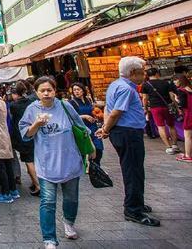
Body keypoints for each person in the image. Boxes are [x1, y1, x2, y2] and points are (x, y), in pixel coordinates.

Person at [19, 77, 90, 249]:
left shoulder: (65, 106)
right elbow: (25, 135)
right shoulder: (32, 109)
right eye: (42, 90)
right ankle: (49, 239)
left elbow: (81, 127)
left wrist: (91, 149)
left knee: (71, 198)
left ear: (55, 90)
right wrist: (36, 124)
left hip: (70, 160)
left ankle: (69, 223)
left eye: (49, 90)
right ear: (36, 92)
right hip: (46, 164)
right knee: (48, 202)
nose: (46, 93)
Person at [96, 56, 160, 227]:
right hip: (128, 133)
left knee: (133, 169)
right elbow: (115, 112)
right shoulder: (127, 89)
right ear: (133, 72)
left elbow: (108, 110)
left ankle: (136, 203)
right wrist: (105, 130)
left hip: (123, 132)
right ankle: (133, 209)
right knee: (133, 171)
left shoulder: (115, 85)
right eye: (142, 72)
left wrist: (105, 127)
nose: (144, 75)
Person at [9, 82, 40, 196]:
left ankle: (38, 186)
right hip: (34, 132)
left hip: (22, 135)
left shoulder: (14, 106)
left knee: (28, 161)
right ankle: (35, 182)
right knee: (35, 159)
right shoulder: (32, 102)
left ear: (15, 94)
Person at [141, 68, 180, 154]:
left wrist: (145, 108)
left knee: (160, 126)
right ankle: (175, 145)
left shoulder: (146, 85)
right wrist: (177, 107)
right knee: (171, 126)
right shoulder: (166, 82)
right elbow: (172, 97)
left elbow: (145, 98)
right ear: (157, 74)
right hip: (167, 106)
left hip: (155, 107)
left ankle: (168, 147)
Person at [69, 82, 104, 165]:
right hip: (83, 130)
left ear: (83, 91)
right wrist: (84, 116)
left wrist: (96, 115)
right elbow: (71, 118)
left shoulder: (88, 99)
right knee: (90, 150)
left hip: (93, 127)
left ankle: (96, 167)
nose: (76, 91)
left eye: (78, 89)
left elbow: (92, 111)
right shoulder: (72, 103)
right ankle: (93, 169)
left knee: (99, 149)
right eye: (74, 90)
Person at [174, 74, 192, 163]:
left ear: (179, 80)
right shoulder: (190, 88)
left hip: (189, 114)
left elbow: (183, 104)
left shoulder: (181, 90)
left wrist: (176, 99)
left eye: (175, 80)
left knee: (188, 136)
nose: (174, 82)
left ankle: (188, 156)